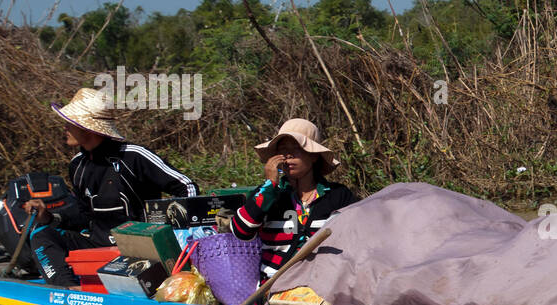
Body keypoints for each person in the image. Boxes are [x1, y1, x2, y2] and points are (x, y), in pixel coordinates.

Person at [24, 87, 200, 286]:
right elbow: (84, 216)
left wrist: (171, 235)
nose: (65, 127)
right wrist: (48, 217)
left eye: (70, 122)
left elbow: (187, 187)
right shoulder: (77, 165)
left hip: (140, 246)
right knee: (40, 233)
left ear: (85, 127)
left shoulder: (134, 156)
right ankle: (68, 290)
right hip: (99, 243)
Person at [230, 119, 359, 283]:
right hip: (273, 288)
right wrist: (270, 185)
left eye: (296, 149)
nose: (288, 155)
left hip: (323, 288)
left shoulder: (338, 195)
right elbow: (241, 230)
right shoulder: (268, 194)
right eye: (282, 150)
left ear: (313, 156)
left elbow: (356, 239)